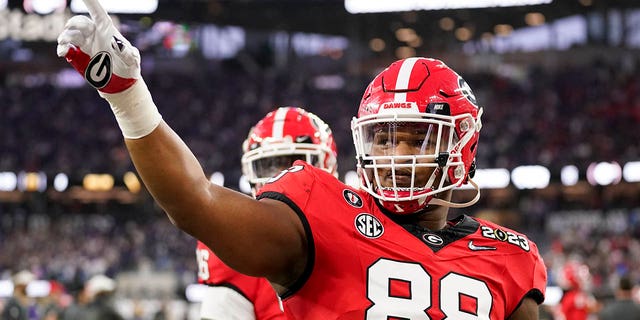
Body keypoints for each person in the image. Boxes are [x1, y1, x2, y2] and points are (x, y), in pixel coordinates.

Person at [56, 1, 547, 318]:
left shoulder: (511, 257)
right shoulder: (321, 209)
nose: (394, 155)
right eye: (382, 139)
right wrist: (127, 95)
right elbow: (195, 202)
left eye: (415, 138)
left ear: (461, 143)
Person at [195, 106, 338, 319]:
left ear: (326, 164)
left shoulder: (359, 225)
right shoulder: (239, 242)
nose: (281, 179)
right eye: (268, 167)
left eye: (294, 164)